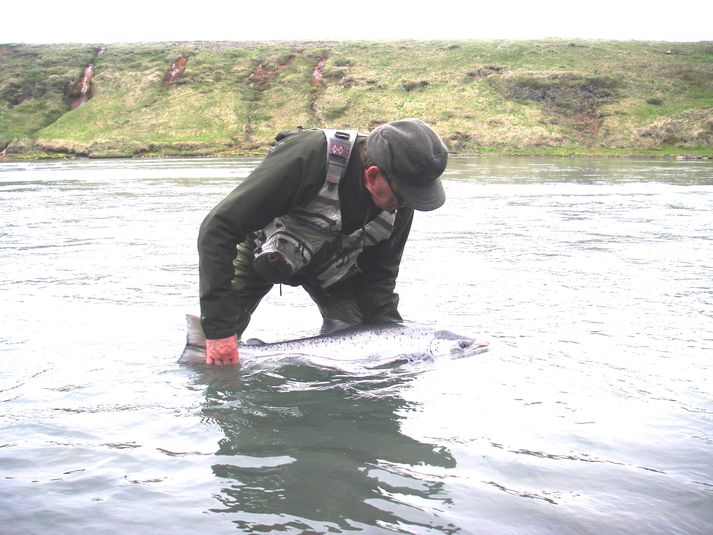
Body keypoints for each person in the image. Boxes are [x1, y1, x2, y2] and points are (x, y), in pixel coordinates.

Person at [197, 118, 448, 365]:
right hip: (265, 255)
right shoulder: (309, 157)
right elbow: (218, 229)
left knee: (358, 347)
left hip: (333, 271)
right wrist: (219, 331)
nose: (408, 205)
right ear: (372, 176)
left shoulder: (402, 195)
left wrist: (394, 340)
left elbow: (379, 278)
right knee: (213, 348)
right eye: (405, 197)